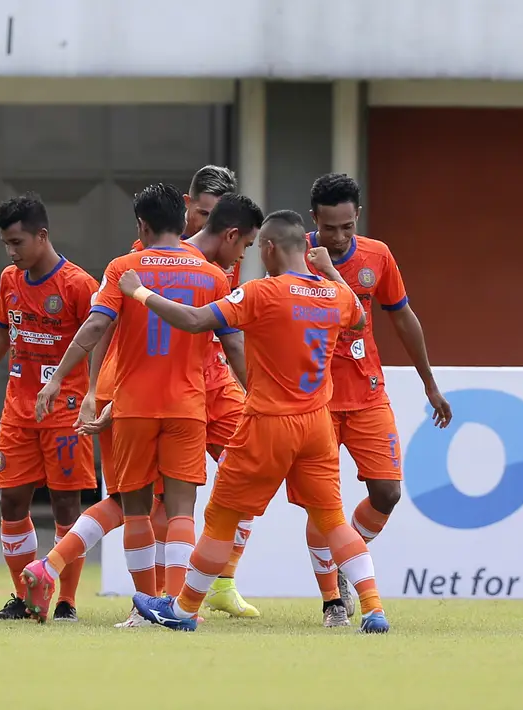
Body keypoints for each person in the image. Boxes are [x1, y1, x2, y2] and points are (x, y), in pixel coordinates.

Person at [122, 210, 390, 633]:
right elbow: (358, 314)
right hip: (317, 424)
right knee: (333, 519)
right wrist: (330, 272)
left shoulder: (261, 293)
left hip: (267, 423)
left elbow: (194, 321)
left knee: (222, 518)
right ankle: (374, 609)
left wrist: (140, 294)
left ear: (268, 248)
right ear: (306, 249)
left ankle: (184, 609)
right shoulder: (334, 296)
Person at [20, 183, 242, 624]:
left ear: (141, 225)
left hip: (132, 407)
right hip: (186, 406)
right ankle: (177, 609)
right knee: (181, 511)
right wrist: (255, 395)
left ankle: (142, 610)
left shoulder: (124, 267)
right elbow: (234, 345)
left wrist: (60, 378)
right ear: (183, 222)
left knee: (135, 508)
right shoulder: (213, 276)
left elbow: (94, 328)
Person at [110, 166, 260, 619]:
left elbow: (100, 325)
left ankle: (215, 582)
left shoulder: (137, 267)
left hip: (194, 387)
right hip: (179, 392)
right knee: (159, 503)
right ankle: (166, 601)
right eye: (204, 213)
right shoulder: (172, 263)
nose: (211, 225)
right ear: (187, 206)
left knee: (246, 475)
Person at [303, 172, 452, 626]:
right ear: (315, 221)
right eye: (330, 228)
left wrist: (429, 381)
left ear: (358, 217)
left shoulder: (377, 256)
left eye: (348, 226)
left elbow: (403, 317)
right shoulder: (296, 258)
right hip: (317, 399)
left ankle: (347, 564)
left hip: (368, 393)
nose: (340, 236)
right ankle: (333, 600)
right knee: (323, 502)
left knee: (387, 492)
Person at [0, 193, 99, 623]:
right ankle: (24, 597)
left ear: (42, 236)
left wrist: (95, 396)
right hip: (18, 411)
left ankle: (66, 601)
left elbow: (99, 340)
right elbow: (2, 334)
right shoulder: (9, 280)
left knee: (66, 509)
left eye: (17, 242)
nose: (11, 251)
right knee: (11, 502)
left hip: (66, 413)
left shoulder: (78, 285)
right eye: (6, 244)